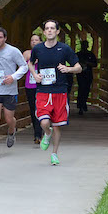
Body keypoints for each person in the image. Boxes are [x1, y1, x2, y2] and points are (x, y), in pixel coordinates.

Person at [28, 20, 81, 166]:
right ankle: (47, 133)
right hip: (43, 91)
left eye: (52, 28)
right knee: (44, 121)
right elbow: (30, 63)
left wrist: (68, 69)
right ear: (44, 32)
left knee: (57, 124)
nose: (50, 31)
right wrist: (35, 75)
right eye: (47, 28)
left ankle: (54, 153)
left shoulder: (64, 49)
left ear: (57, 32)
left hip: (60, 91)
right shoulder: (38, 49)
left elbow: (79, 67)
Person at [0, 27, 28, 157]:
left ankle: (12, 130)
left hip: (9, 90)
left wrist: (13, 77)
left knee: (9, 119)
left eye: (0, 37)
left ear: (5, 38)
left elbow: (24, 66)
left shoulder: (13, 51)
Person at [22, 32, 43, 144]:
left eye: (36, 40)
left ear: (41, 42)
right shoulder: (26, 53)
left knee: (40, 108)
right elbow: (22, 66)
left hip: (42, 84)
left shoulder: (45, 52)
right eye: (32, 40)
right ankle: (37, 133)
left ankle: (39, 133)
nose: (34, 42)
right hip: (30, 84)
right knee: (33, 108)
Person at [75, 40, 99, 115]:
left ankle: (83, 103)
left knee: (86, 89)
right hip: (80, 74)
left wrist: (88, 63)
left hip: (88, 74)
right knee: (81, 88)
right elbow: (73, 62)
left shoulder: (90, 54)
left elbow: (95, 64)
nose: (84, 47)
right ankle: (80, 105)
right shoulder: (78, 54)